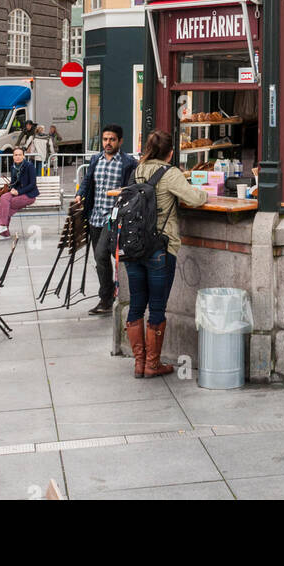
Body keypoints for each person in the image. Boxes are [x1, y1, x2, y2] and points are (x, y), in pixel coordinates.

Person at [124, 132, 208, 378]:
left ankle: (139, 363)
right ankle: (153, 364)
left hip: (134, 247)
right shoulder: (170, 173)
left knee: (136, 305)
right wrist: (205, 192)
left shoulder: (136, 171)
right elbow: (194, 198)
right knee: (157, 307)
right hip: (160, 248)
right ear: (170, 152)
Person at [78, 125, 136, 315]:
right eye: (105, 139)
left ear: (120, 141)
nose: (108, 143)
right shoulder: (96, 159)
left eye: (112, 139)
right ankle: (110, 294)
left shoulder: (128, 162)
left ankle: (107, 297)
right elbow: (87, 181)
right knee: (100, 259)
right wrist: (80, 194)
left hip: (114, 216)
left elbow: (133, 187)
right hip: (95, 215)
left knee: (102, 254)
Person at [0, 144, 38, 239]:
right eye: (15, 155)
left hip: (29, 195)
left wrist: (19, 192)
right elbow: (14, 183)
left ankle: (4, 231)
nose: (17, 157)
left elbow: (32, 184)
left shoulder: (29, 166)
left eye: (19, 155)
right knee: (4, 198)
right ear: (13, 157)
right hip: (17, 192)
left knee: (4, 205)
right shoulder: (13, 167)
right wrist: (12, 188)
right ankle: (3, 227)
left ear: (23, 156)